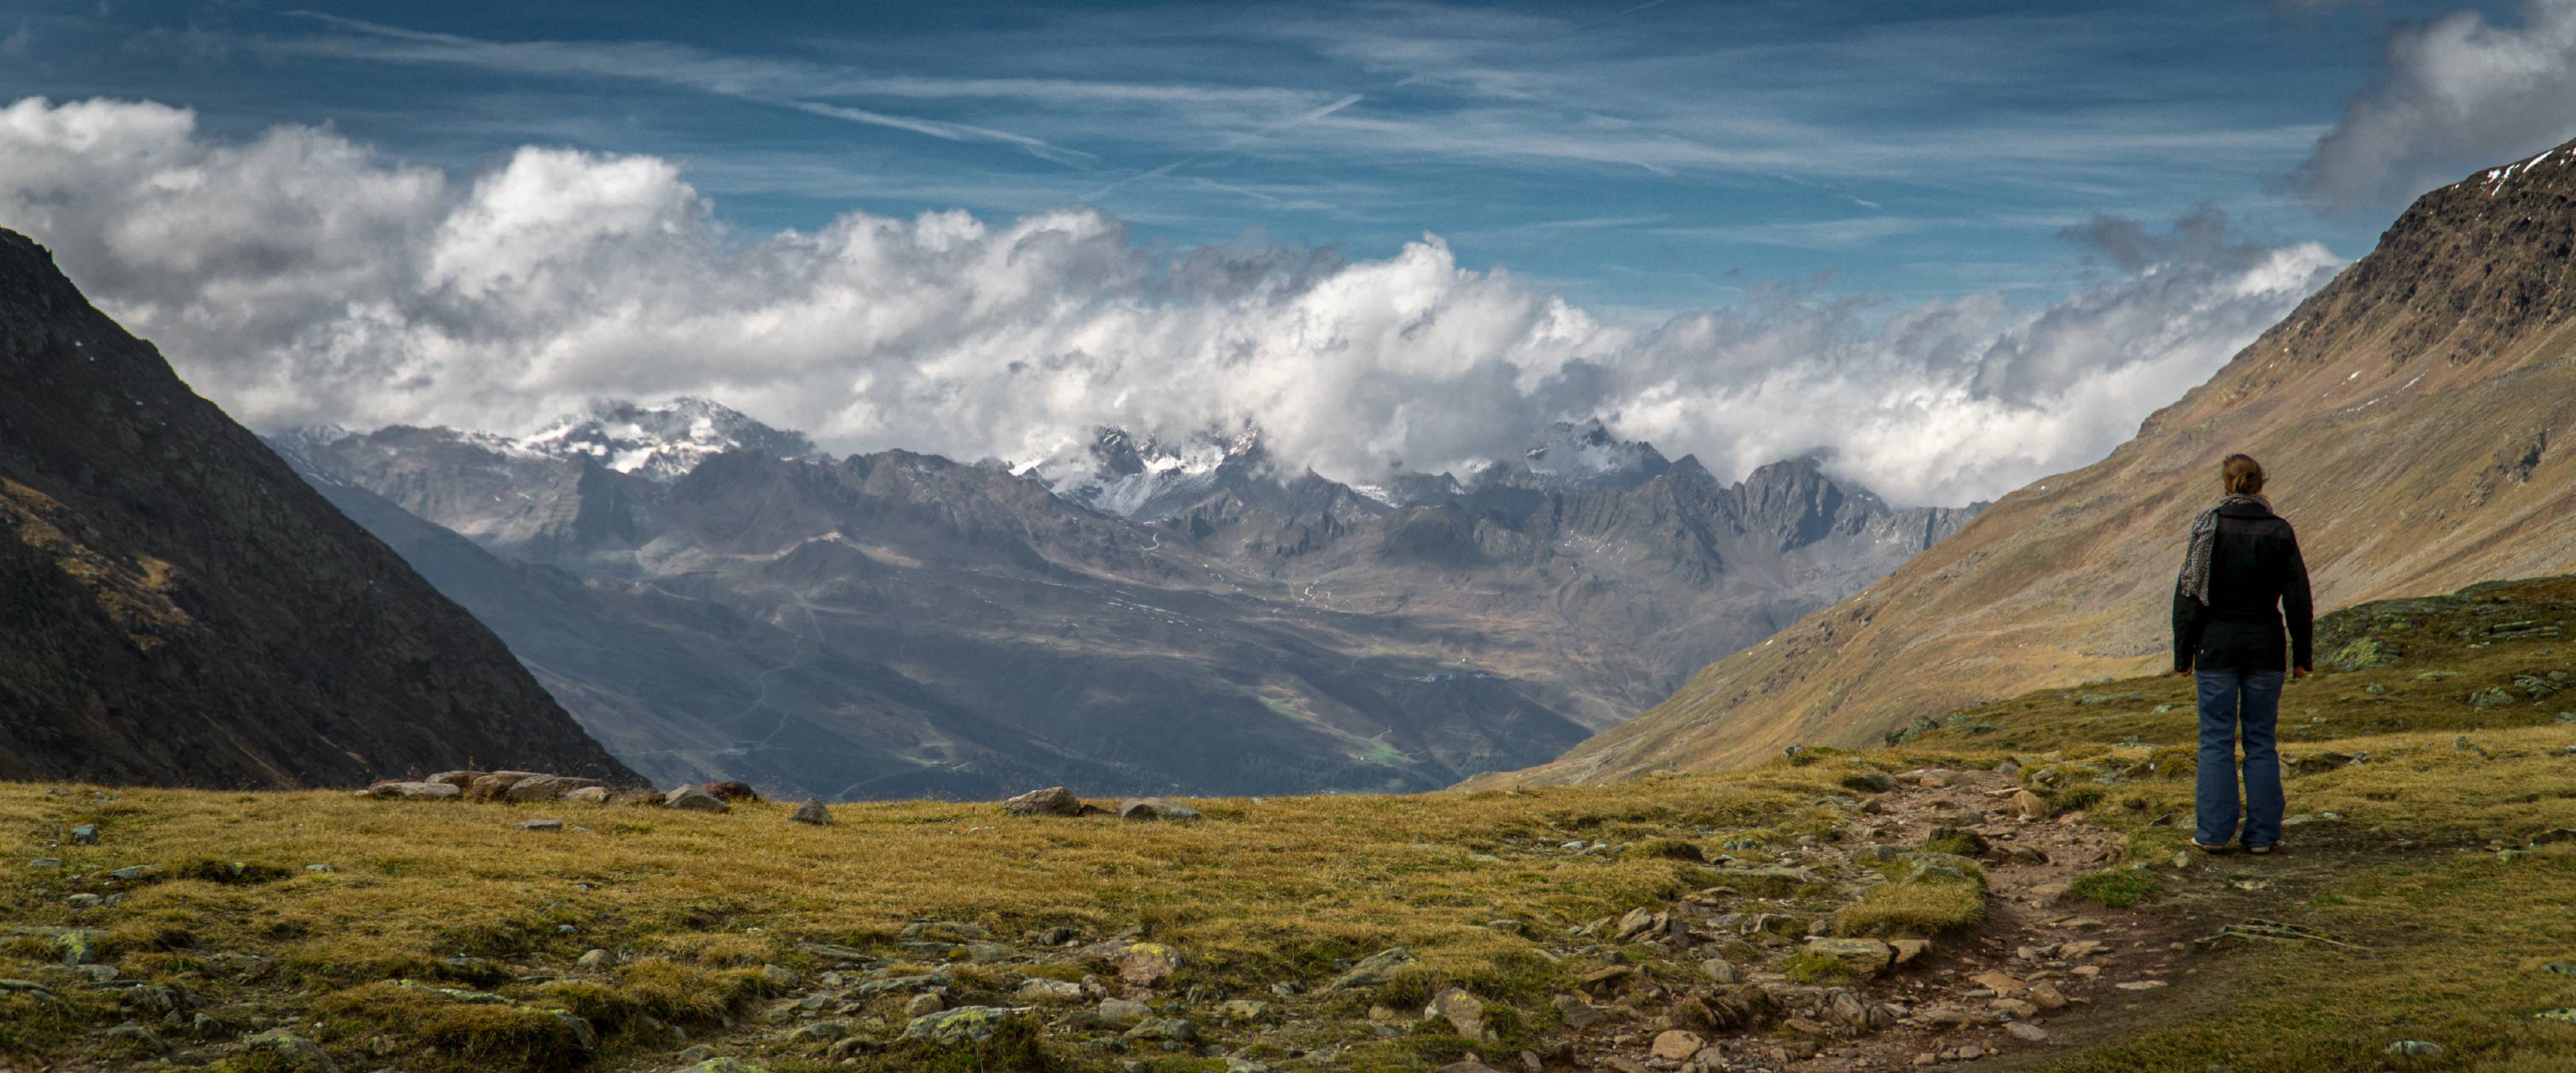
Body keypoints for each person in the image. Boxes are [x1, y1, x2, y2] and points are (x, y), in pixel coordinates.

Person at [2171, 453, 2313, 855]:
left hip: (2216, 647)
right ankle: (2263, 835)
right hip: (2266, 647)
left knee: (2216, 740)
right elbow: (2298, 598)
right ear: (2260, 484)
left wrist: (2184, 654)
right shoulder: (2280, 531)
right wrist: (2302, 654)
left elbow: (2188, 594)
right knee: (2261, 741)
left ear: (2225, 482)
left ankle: (2214, 833)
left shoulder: (2207, 529)